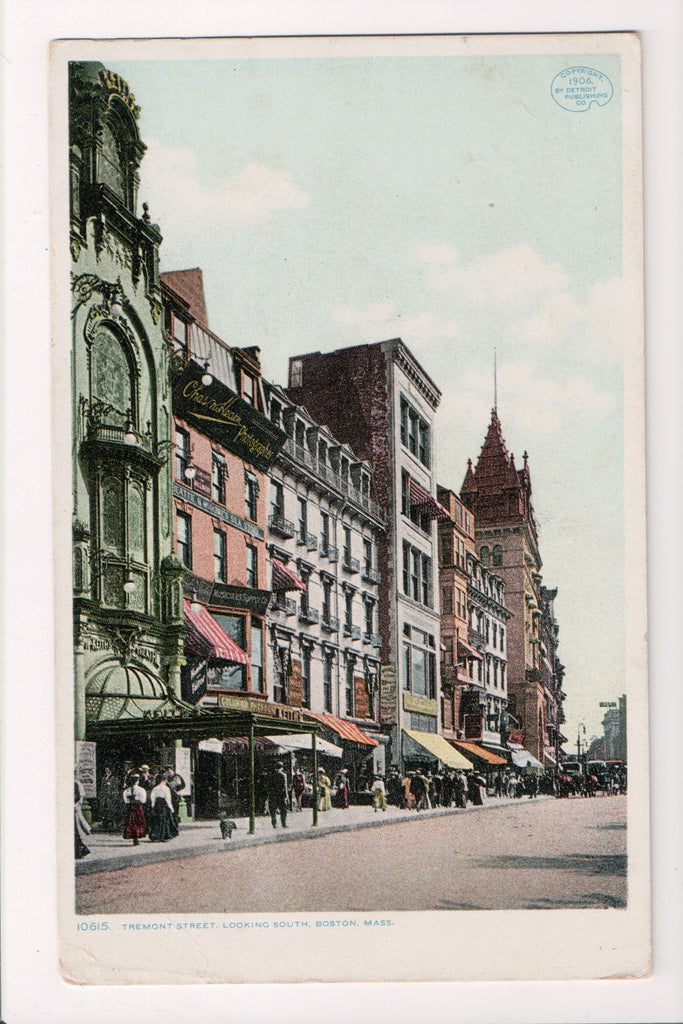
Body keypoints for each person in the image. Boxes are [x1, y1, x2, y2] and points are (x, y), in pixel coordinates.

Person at [148, 773, 179, 842]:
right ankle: (164, 835)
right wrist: (171, 808)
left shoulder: (155, 788)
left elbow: (152, 798)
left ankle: (155, 835)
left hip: (157, 804)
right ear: (164, 780)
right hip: (164, 804)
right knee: (164, 820)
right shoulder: (166, 788)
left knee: (157, 820)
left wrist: (153, 806)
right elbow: (168, 799)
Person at [122, 773, 148, 846]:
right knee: (138, 821)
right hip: (138, 807)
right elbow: (143, 800)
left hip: (130, 807)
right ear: (137, 781)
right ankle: (137, 836)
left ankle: (133, 837)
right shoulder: (141, 790)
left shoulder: (127, 790)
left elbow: (126, 801)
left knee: (131, 822)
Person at [97, 765, 121, 832]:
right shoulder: (103, 778)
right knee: (104, 812)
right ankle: (105, 826)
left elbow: (116, 789)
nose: (106, 771)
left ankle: (113, 826)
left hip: (111, 798)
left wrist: (114, 796)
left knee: (112, 812)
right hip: (104, 798)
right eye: (106, 770)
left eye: (108, 770)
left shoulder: (114, 778)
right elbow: (102, 788)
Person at [268, 762, 289, 828]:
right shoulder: (283, 775)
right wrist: (286, 796)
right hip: (281, 795)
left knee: (273, 810)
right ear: (281, 768)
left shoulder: (271, 775)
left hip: (272, 795)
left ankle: (274, 824)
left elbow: (268, 786)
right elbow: (284, 786)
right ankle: (283, 823)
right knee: (283, 810)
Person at [74, 774, 90, 859]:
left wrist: (76, 805)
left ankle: (79, 851)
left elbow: (79, 797)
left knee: (76, 831)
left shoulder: (76, 784)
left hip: (74, 809)